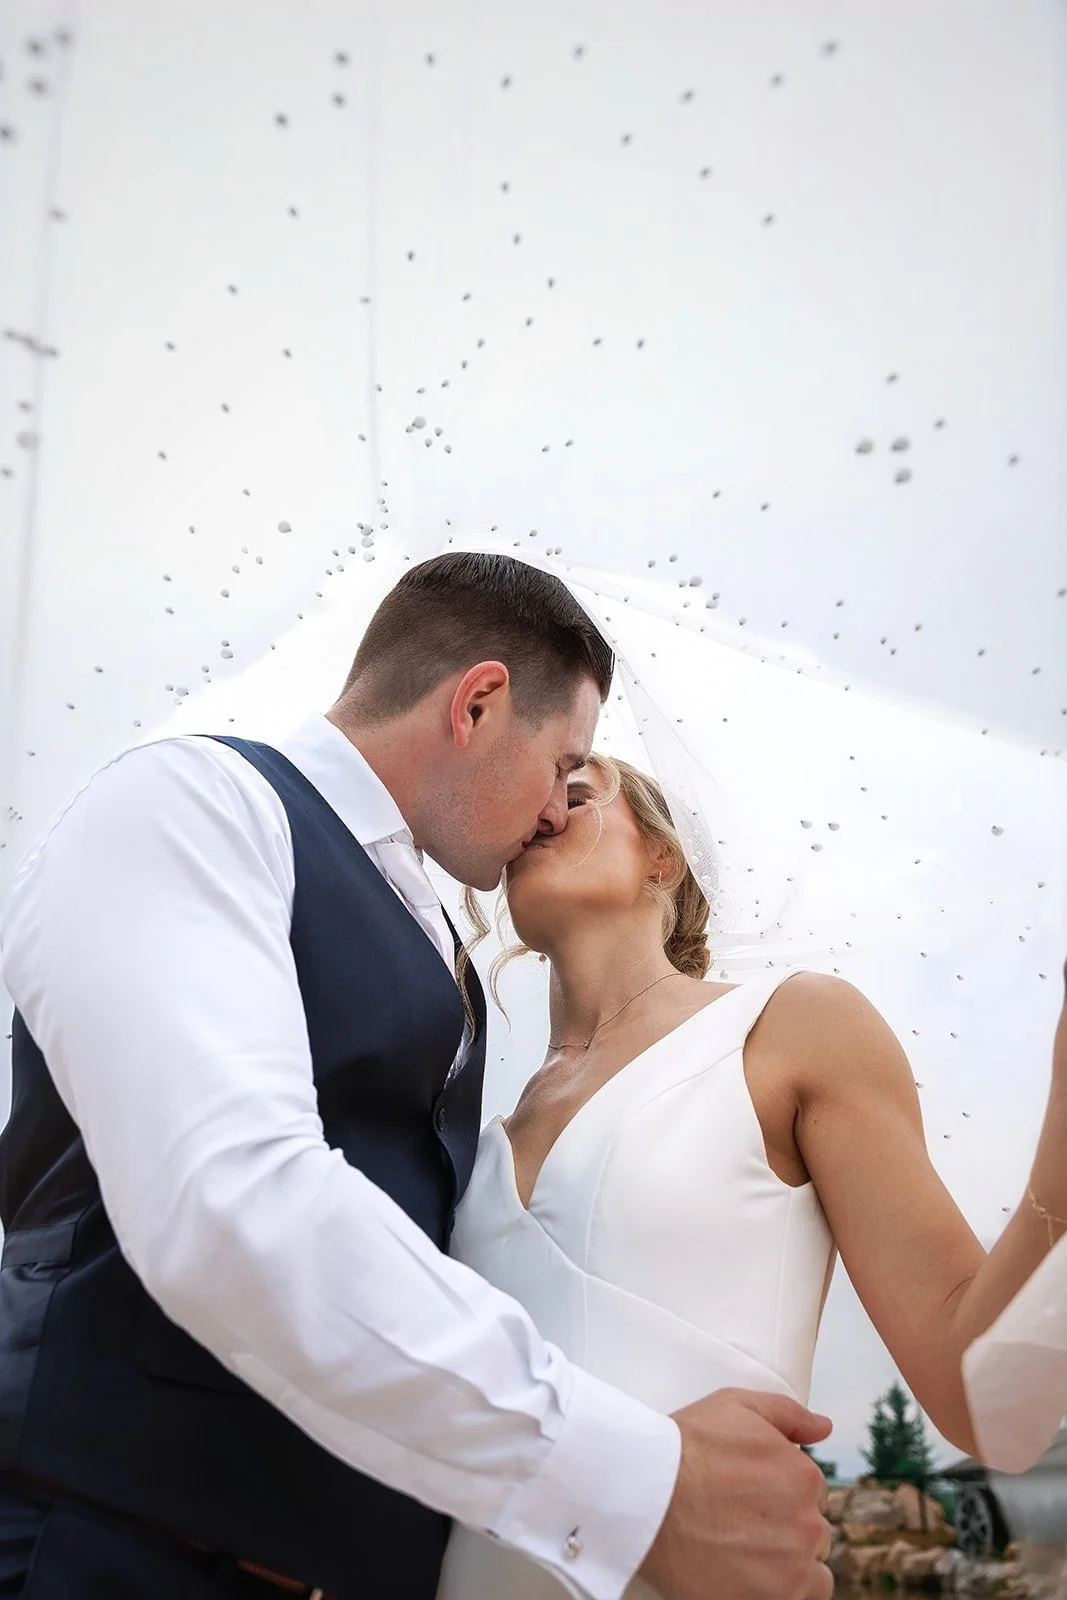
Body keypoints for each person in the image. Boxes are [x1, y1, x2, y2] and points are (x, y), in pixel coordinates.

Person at [0, 553, 834, 1600]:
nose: (552, 812)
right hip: (113, 1555)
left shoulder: (445, 957)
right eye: (563, 762)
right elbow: (229, 1204)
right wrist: (641, 1485)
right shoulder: (193, 805)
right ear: (479, 703)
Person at [438, 753, 1067, 1600]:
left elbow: (983, 1397)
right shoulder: (471, 1139)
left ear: (663, 855)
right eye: (526, 799)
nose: (540, 811)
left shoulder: (790, 1027)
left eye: (576, 793)